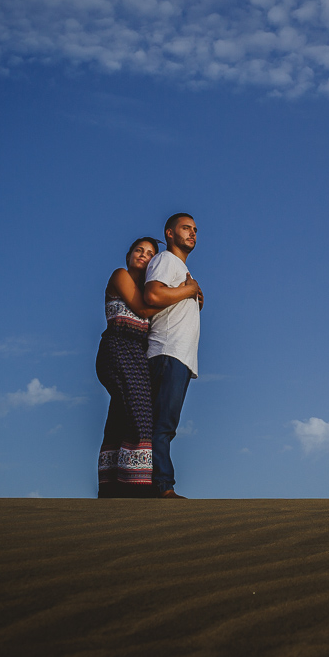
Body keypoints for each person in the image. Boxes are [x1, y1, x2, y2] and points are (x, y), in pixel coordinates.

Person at [95, 237, 165, 498]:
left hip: (138, 356)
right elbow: (141, 310)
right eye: (139, 250)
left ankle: (111, 488)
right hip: (117, 349)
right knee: (140, 415)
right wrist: (185, 291)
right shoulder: (120, 275)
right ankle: (135, 489)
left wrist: (193, 296)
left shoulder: (148, 291)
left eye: (149, 254)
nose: (143, 255)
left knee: (121, 418)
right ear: (128, 255)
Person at [143, 213, 203, 499]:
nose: (192, 233)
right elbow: (153, 295)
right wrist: (190, 289)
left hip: (178, 356)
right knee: (162, 425)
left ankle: (157, 484)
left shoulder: (180, 269)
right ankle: (162, 486)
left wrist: (192, 295)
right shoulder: (166, 260)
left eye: (194, 230)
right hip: (167, 352)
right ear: (169, 233)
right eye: (185, 228)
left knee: (165, 424)